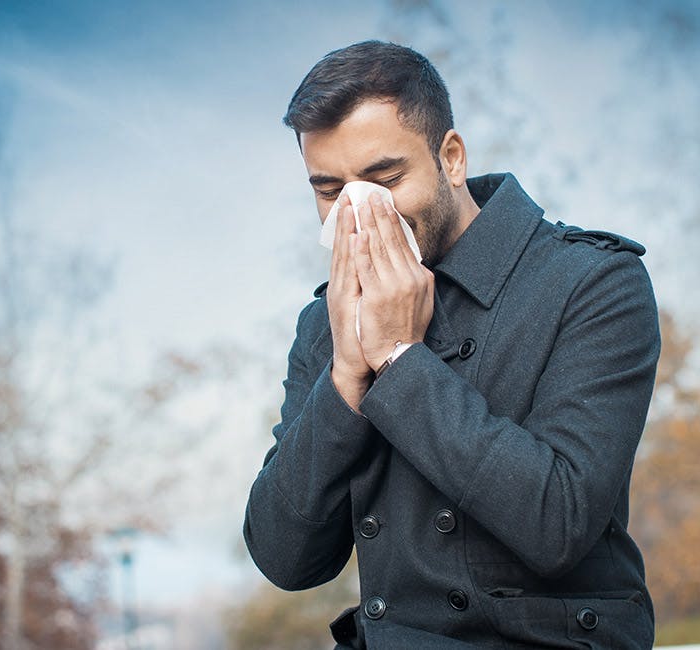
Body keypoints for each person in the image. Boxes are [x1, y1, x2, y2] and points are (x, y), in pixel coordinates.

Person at [243, 40, 660, 649]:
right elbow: (285, 558)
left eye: (385, 179)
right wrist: (345, 381)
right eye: (331, 191)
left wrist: (400, 360)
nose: (361, 214)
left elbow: (558, 524)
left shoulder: (592, 282)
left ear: (452, 158)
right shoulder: (324, 321)